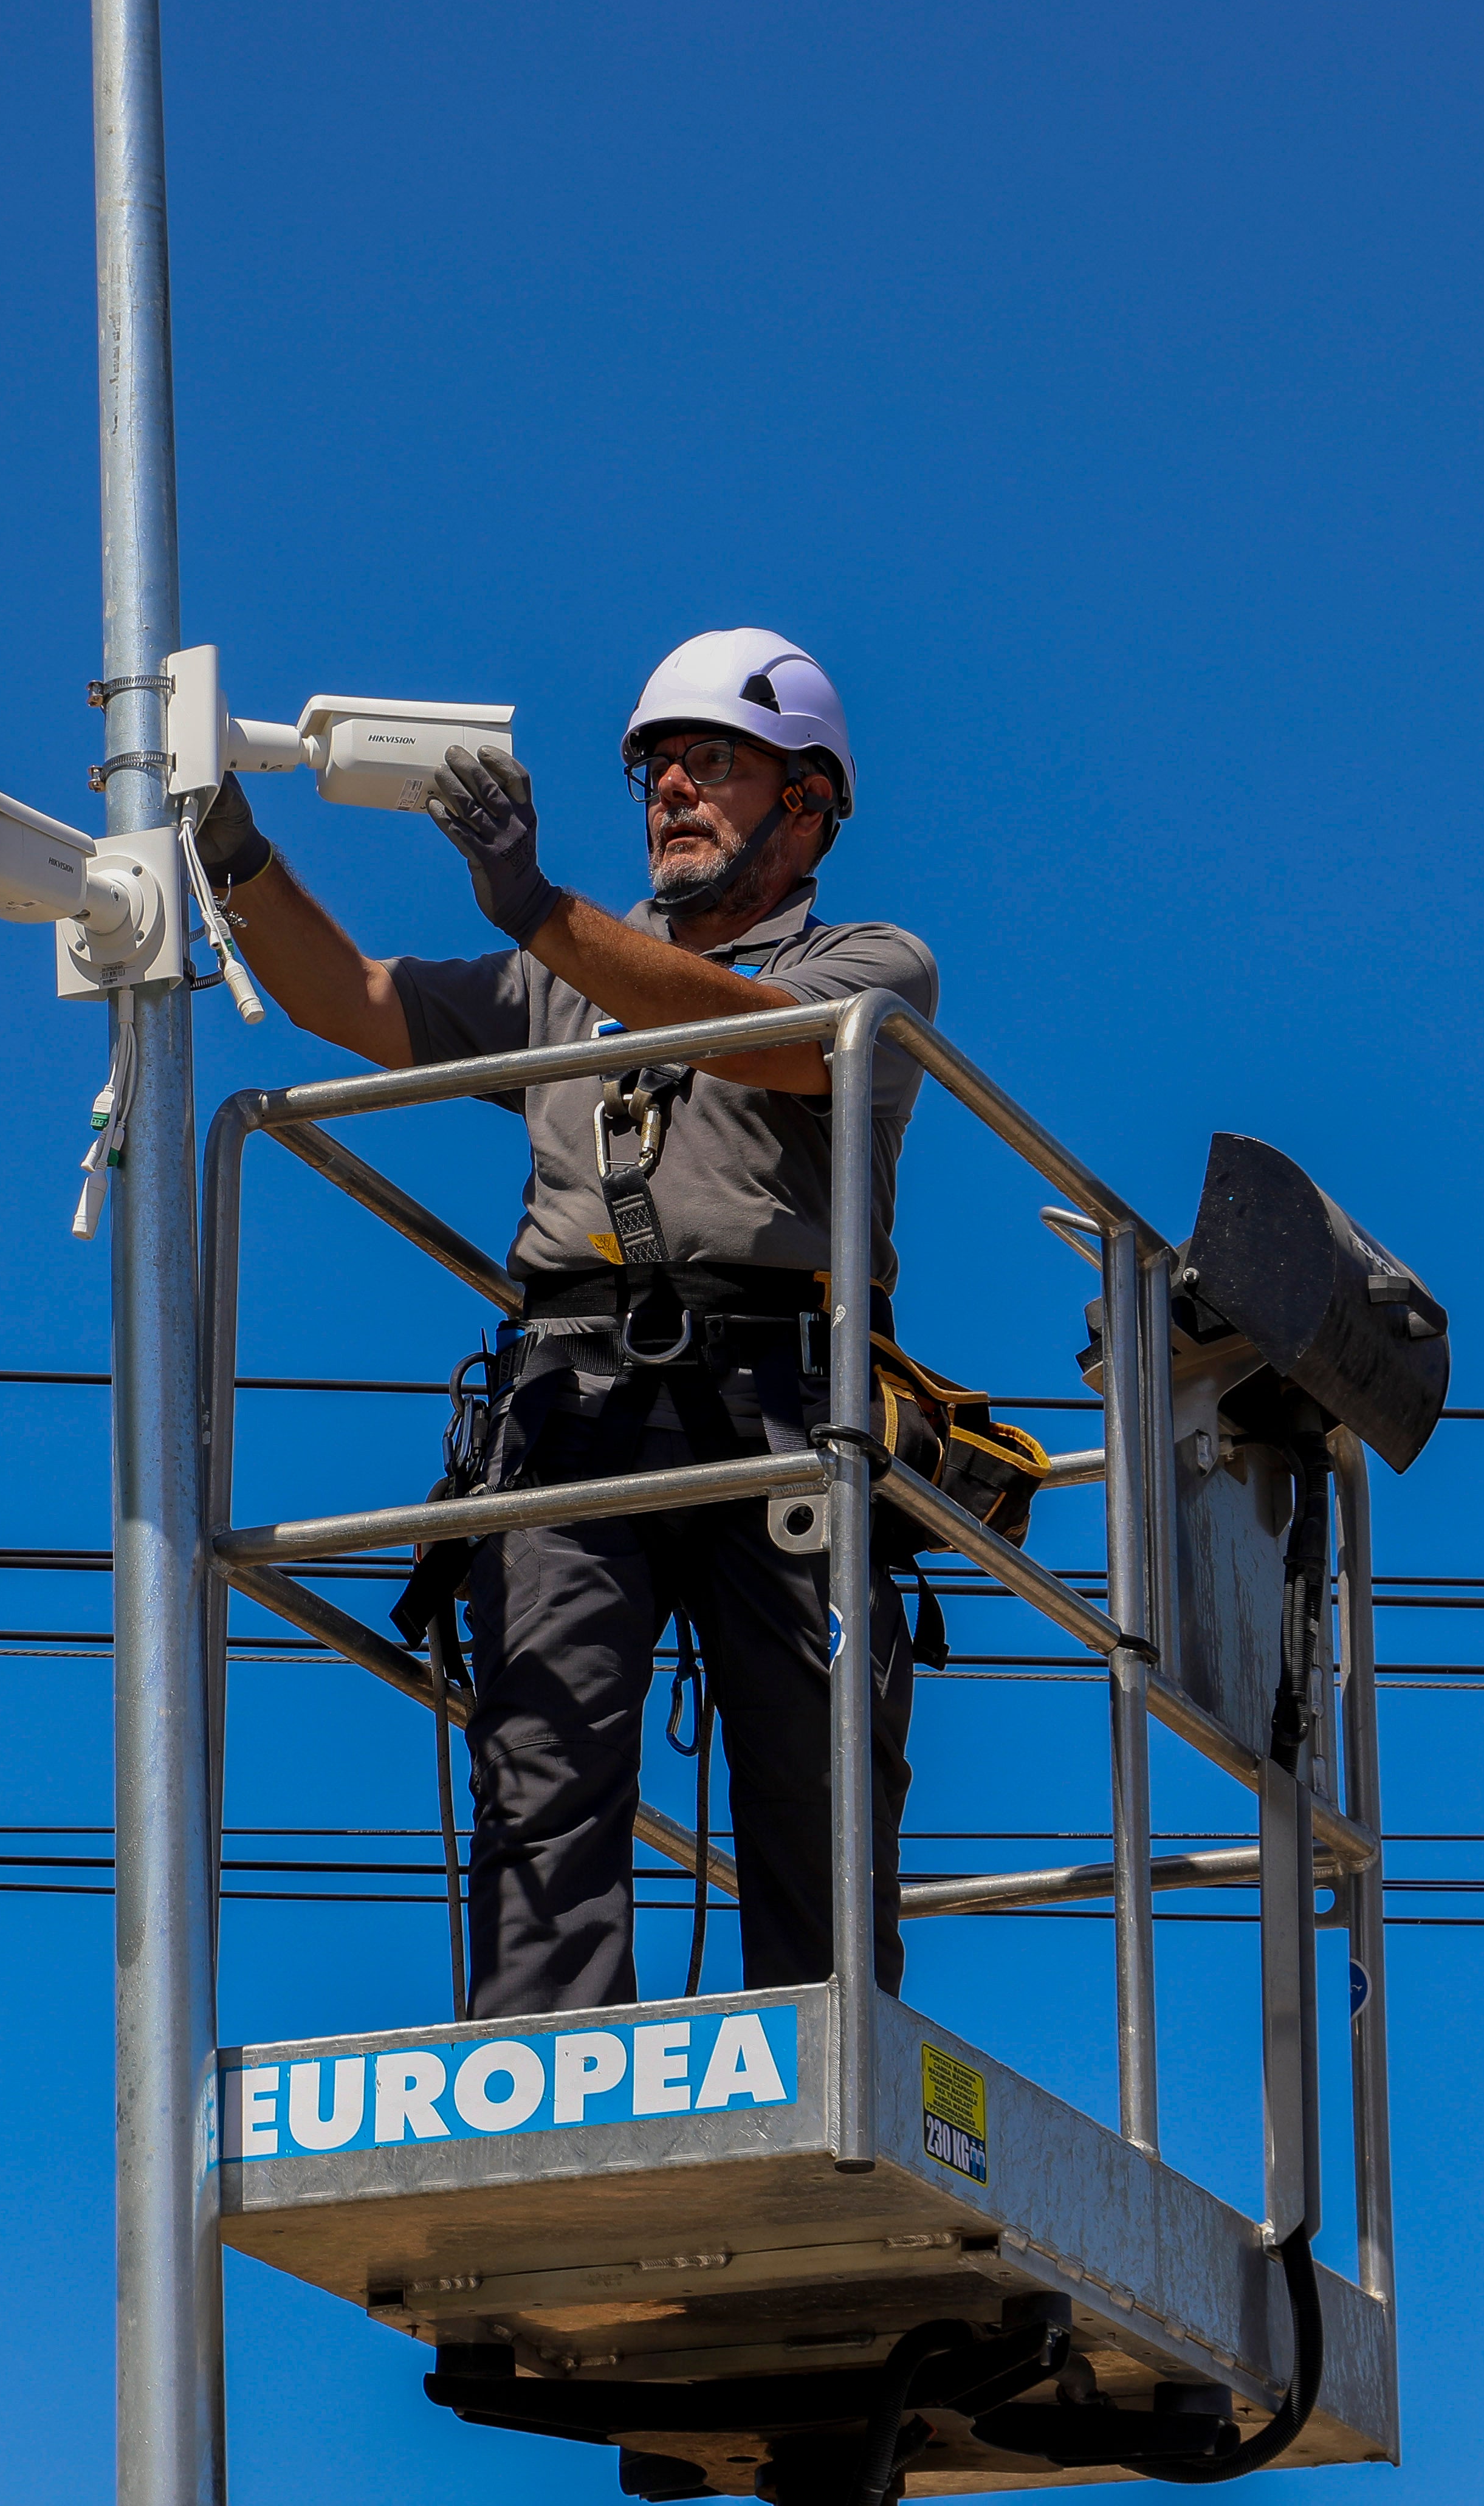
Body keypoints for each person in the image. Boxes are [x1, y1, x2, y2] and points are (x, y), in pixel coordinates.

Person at [196, 627, 940, 2016]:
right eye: (653, 763)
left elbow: (761, 1037)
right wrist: (230, 845)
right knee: (543, 1767)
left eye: (710, 759)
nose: (669, 787)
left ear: (810, 800)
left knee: (816, 1791)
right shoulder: (563, 974)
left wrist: (536, 905)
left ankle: (828, 2101)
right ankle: (543, 2074)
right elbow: (347, 999)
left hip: (782, 1416)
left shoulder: (871, 966)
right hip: (572, 1409)